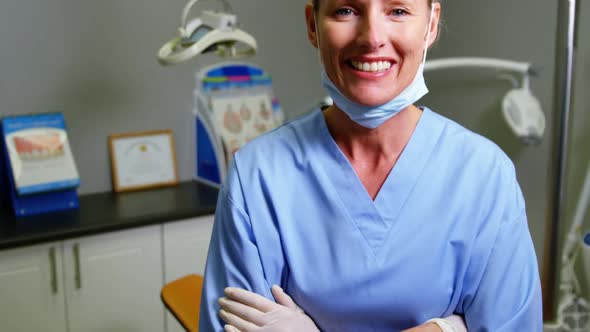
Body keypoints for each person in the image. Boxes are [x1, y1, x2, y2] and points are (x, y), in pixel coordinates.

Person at [200, 0, 543, 331]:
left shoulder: (483, 175)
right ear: (312, 25)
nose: (372, 37)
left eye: (397, 10)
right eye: (346, 10)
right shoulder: (258, 177)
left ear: (431, 24)